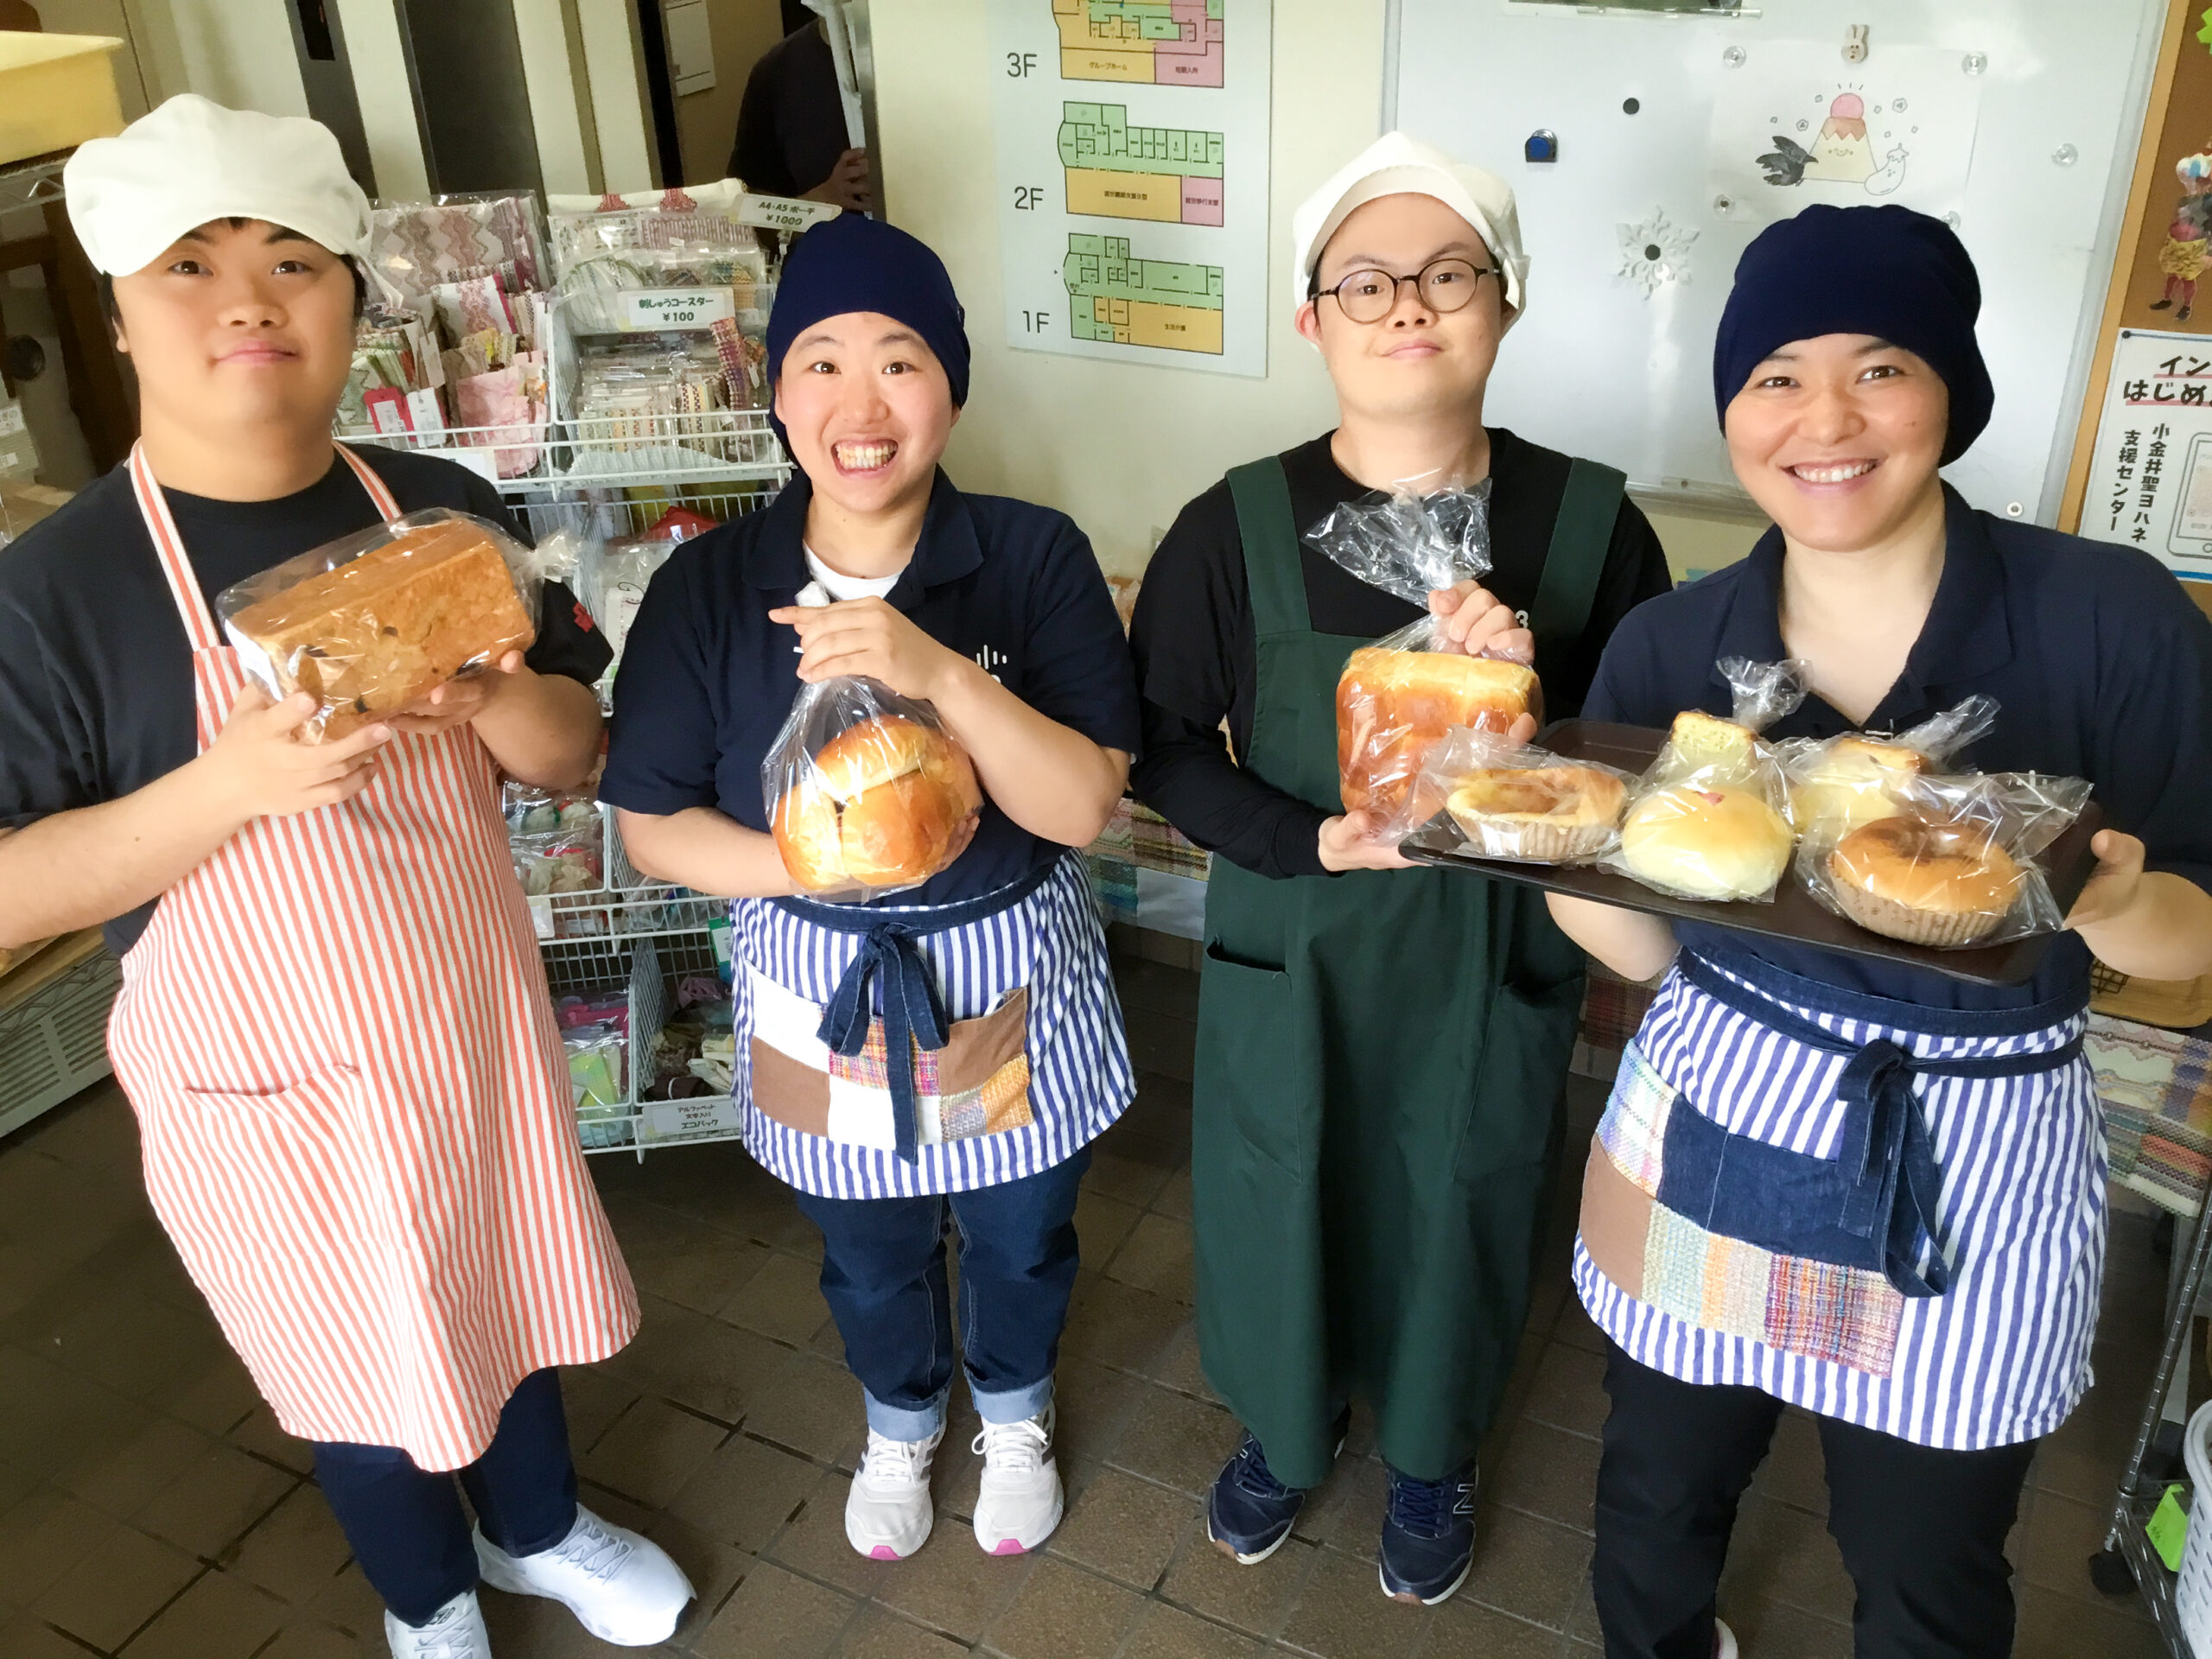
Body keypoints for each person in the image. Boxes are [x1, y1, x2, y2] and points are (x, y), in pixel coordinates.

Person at [0, 98, 693, 1659]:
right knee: (347, 1351)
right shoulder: (54, 594)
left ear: (349, 302)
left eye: (291, 260)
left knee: (504, 1289)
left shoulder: (439, 511)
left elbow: (575, 751)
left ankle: (535, 1535)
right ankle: (427, 1603)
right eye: (190, 264)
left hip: (465, 1028)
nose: (247, 300)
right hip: (261, 1083)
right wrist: (225, 789)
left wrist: (489, 698)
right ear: (115, 309)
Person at [1548, 204, 2212, 1659]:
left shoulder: (2112, 619)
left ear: (1951, 395)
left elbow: (2194, 944)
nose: (1825, 420)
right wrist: (1561, 860)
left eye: (1881, 367)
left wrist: (2100, 900)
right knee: (1659, 1490)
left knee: (1925, 1553)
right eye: (1776, 375)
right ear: (1732, 406)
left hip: (1972, 1146)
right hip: (1723, 1100)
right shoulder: (1676, 647)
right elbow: (1651, 954)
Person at [1128, 131, 1673, 1605]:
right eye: (1363, 281)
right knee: (1274, 1190)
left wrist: (1531, 694)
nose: (1405, 305)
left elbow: (1641, 780)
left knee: (1466, 1195)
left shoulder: (1590, 527)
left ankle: (1432, 1452)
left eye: (1448, 273)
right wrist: (1305, 838)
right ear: (1312, 320)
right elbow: (1162, 747)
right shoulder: (1233, 528)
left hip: (1490, 961)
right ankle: (1284, 1436)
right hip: (1295, 942)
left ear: (1503, 305)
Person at [603, 212, 1141, 1562]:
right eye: (821, 361)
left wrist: (939, 671)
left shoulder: (1030, 557)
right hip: (812, 974)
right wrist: (820, 859)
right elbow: (653, 826)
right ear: (776, 387)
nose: (861, 404)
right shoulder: (712, 585)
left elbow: (1081, 805)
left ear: (950, 386)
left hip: (1003, 968)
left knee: (1021, 1233)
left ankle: (1013, 1407)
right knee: (867, 1248)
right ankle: (901, 1418)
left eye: (900, 361)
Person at [731, 10, 874, 213]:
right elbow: (746, 208)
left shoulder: (925, 54)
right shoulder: (777, 72)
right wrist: (820, 202)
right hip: (830, 241)